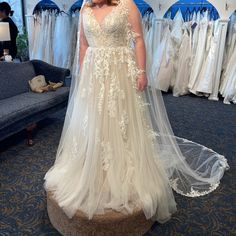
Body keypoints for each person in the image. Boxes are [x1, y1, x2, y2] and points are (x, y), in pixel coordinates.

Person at [44, 0, 228, 224]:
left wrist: (141, 72)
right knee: (92, 120)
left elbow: (139, 40)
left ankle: (119, 170)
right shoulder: (85, 7)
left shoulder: (127, 5)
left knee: (119, 119)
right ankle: (92, 165)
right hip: (93, 72)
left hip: (120, 71)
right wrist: (83, 74)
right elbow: (82, 44)